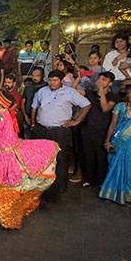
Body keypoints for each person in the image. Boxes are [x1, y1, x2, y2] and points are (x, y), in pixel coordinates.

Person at [0, 87, 58, 228]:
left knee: (0, 183)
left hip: (3, 150)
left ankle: (7, 210)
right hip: (12, 143)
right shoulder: (6, 113)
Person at [30, 70, 92, 198]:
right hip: (42, 129)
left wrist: (76, 121)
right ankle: (41, 187)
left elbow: (87, 105)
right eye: (50, 80)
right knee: (41, 159)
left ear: (61, 81)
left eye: (55, 80)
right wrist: (33, 122)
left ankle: (59, 187)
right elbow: (34, 107)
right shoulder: (42, 91)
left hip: (60, 131)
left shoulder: (70, 92)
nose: (52, 83)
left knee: (61, 159)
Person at [77, 72, 119, 188]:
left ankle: (101, 181)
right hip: (88, 130)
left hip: (103, 131)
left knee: (101, 157)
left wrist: (102, 93)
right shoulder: (91, 93)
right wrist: (79, 77)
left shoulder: (113, 97)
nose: (100, 81)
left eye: (104, 80)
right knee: (88, 155)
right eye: (99, 79)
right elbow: (73, 89)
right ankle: (89, 179)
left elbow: (105, 108)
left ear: (110, 83)